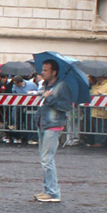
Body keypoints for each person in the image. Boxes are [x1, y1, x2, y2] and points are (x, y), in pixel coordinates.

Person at [34, 57, 74, 202]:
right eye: (42, 69)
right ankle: (47, 190)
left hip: (53, 124)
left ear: (54, 72)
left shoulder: (62, 86)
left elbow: (66, 106)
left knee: (47, 159)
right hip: (43, 123)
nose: (42, 72)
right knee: (44, 159)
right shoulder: (46, 85)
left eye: (45, 70)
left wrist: (49, 98)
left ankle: (53, 193)